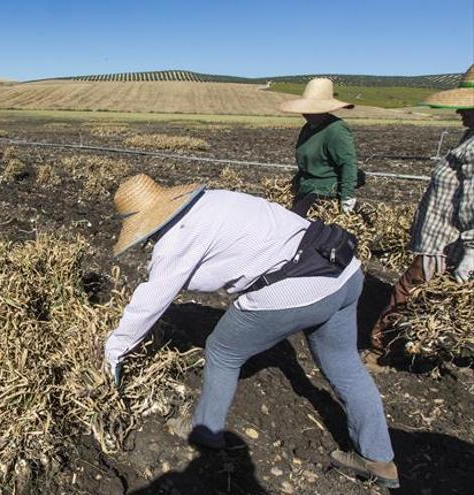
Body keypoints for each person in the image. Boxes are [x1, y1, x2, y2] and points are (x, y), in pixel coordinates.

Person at [102, 174, 399, 489]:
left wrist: (116, 349)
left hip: (298, 286)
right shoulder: (212, 200)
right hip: (343, 267)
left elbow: (150, 301)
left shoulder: (177, 238)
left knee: (223, 350)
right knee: (345, 363)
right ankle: (379, 458)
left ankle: (205, 431)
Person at [367, 65, 474, 365]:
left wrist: (471, 251)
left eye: (466, 106)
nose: (459, 112)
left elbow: (472, 204)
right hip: (448, 242)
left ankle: (381, 352)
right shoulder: (470, 137)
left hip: (444, 245)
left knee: (406, 293)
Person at [279, 78, 360, 217]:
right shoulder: (308, 128)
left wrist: (347, 198)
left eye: (312, 109)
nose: (306, 113)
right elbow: (305, 165)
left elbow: (348, 163)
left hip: (325, 193)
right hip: (306, 189)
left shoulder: (336, 129)